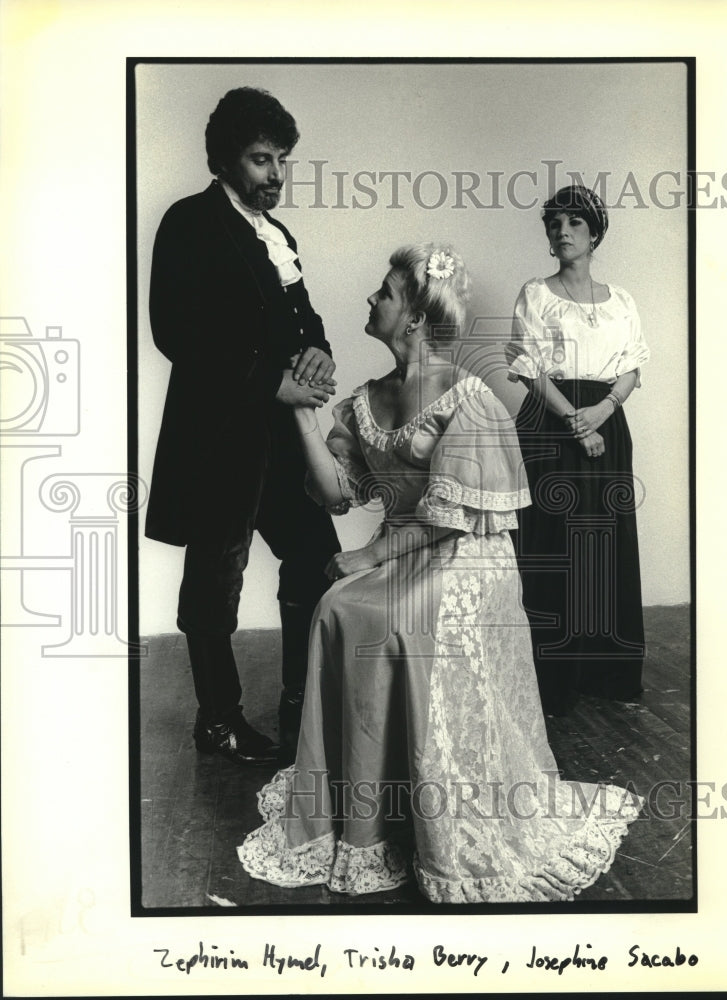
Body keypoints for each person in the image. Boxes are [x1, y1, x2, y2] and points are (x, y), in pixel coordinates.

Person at [237, 243, 642, 903]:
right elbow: (336, 492)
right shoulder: (371, 397)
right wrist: (304, 420)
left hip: (467, 555)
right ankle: (368, 807)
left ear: (417, 317)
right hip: (405, 547)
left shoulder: (469, 396)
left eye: (385, 293)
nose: (372, 301)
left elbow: (456, 518)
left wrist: (369, 556)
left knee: (388, 616)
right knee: (338, 607)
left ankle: (430, 807)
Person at [145, 87, 341, 766]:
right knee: (215, 580)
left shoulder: (277, 235)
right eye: (262, 160)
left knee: (315, 560)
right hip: (218, 435)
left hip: (280, 437)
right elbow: (176, 333)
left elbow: (301, 316)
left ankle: (300, 696)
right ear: (226, 159)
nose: (275, 175)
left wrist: (318, 348)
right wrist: (269, 381)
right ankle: (218, 719)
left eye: (281, 160)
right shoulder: (189, 223)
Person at [507, 185, 650, 716]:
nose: (562, 232)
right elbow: (530, 367)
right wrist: (574, 420)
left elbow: (633, 365)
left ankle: (606, 671)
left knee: (605, 539)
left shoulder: (623, 300)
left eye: (574, 223)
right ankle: (552, 679)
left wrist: (604, 412)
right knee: (555, 542)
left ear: (594, 234)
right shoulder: (536, 295)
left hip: (608, 422)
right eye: (554, 224)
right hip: (552, 422)